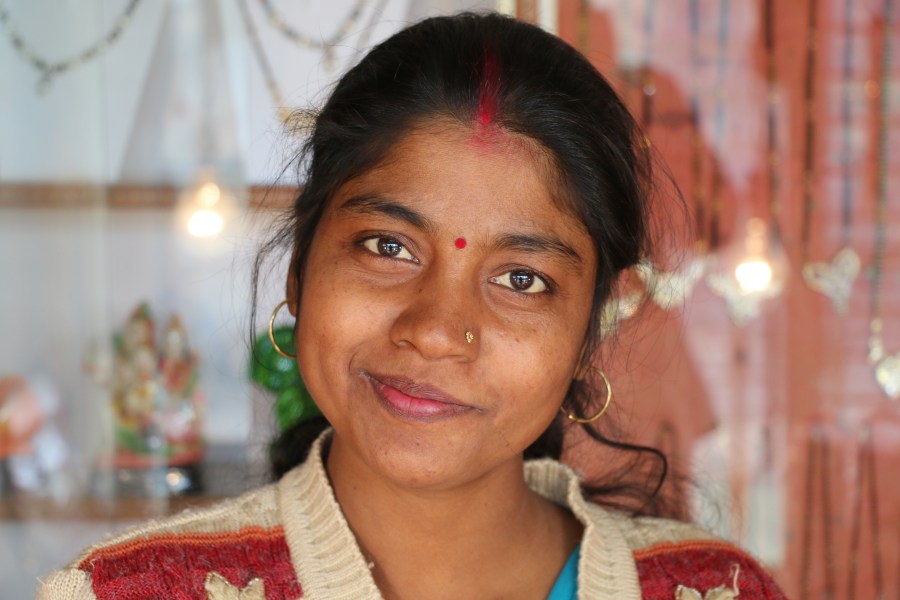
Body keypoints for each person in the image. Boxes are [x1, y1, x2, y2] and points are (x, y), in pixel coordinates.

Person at [39, 12, 787, 600]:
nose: (434, 331)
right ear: (300, 266)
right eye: (388, 246)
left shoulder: (715, 591)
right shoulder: (124, 593)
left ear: (590, 330)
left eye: (521, 279)